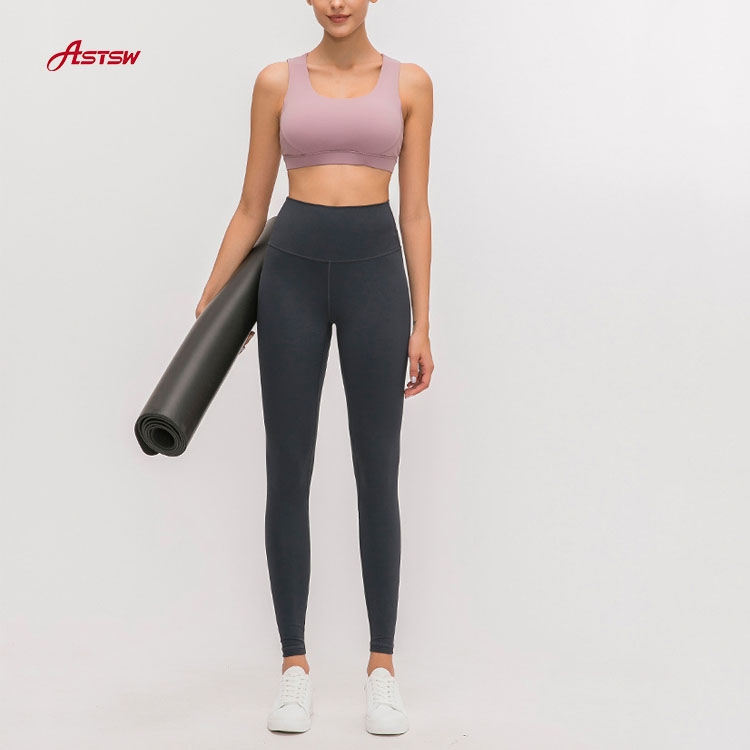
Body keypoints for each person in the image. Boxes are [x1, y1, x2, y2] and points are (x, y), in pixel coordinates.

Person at [195, 0, 433, 735]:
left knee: (377, 471)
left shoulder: (410, 84)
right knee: (288, 467)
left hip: (375, 279)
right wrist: (211, 307)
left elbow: (415, 211)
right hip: (290, 277)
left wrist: (423, 322)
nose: (337, 2)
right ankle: (293, 667)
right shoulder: (276, 82)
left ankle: (382, 669)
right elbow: (250, 206)